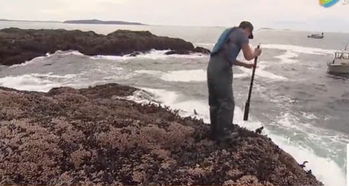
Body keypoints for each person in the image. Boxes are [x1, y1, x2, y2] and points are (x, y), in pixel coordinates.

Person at [207, 21, 262, 142]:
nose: (248, 38)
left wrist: (246, 65)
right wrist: (256, 53)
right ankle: (224, 134)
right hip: (222, 71)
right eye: (249, 35)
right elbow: (248, 55)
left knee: (215, 102)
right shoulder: (242, 34)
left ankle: (214, 132)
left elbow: (227, 57)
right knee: (227, 102)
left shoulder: (228, 32)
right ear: (248, 29)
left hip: (211, 68)